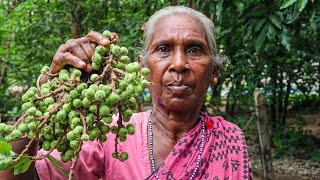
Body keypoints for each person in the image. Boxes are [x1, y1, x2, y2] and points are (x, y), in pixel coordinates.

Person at [1, 6, 252, 180]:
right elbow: (17, 175)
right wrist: (48, 93)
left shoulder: (229, 139)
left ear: (215, 71)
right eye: (163, 49)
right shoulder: (110, 135)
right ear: (142, 67)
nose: (178, 63)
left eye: (195, 50)